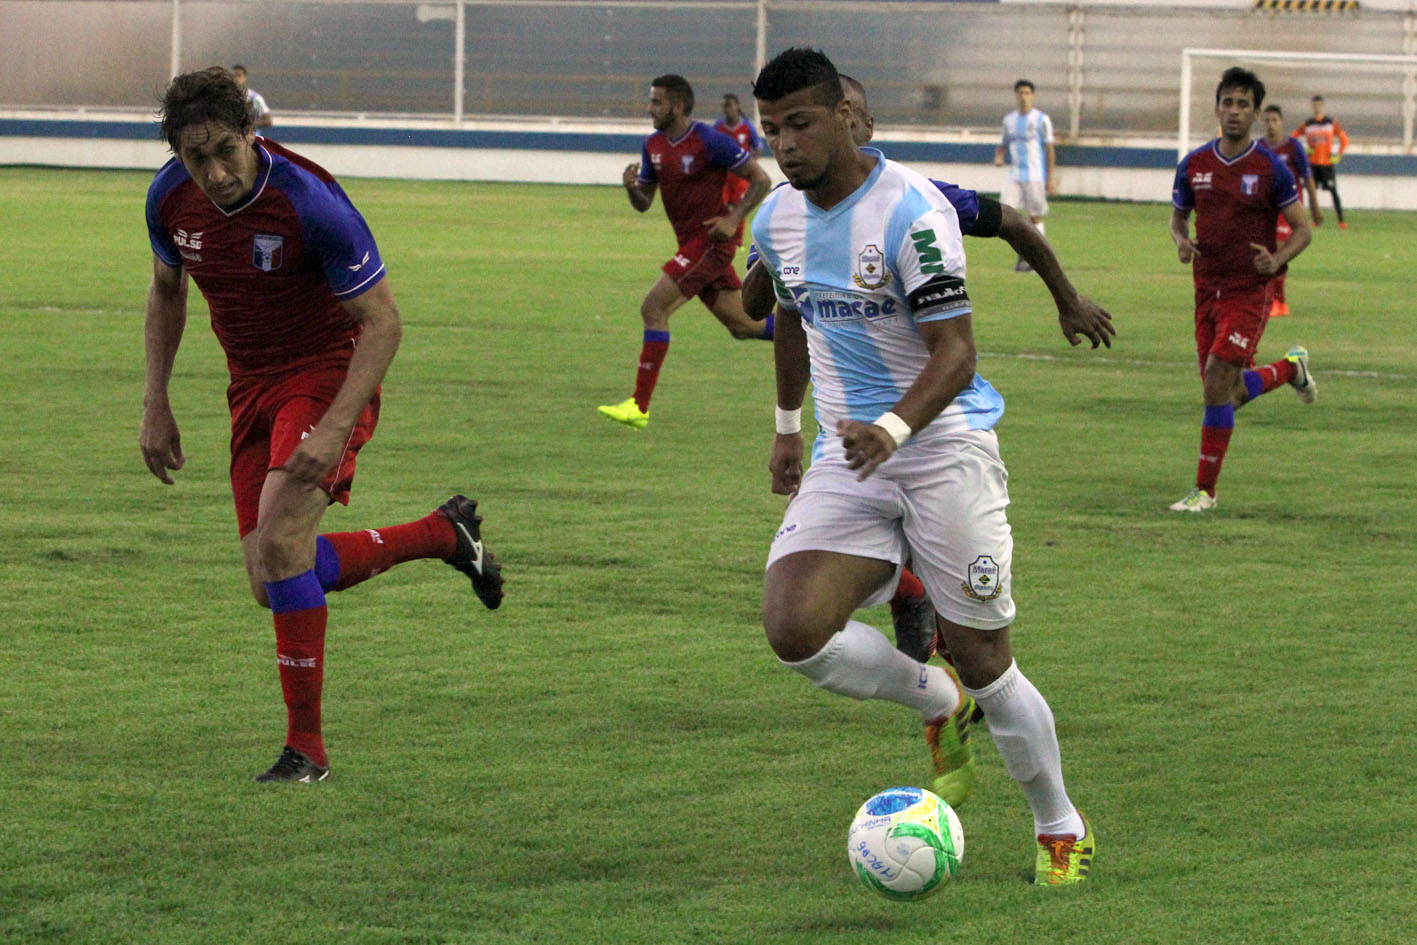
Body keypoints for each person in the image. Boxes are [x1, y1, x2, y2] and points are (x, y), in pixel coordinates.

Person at [752, 47, 1095, 886]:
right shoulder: (778, 215)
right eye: (770, 131)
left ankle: (1059, 825)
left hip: (940, 446)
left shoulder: (911, 211)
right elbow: (784, 313)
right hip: (852, 452)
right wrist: (788, 425)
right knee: (794, 628)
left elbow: (956, 351)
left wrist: (894, 430)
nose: (785, 145)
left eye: (799, 123)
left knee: (985, 654)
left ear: (842, 114)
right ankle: (935, 700)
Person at [142, 67, 503, 783]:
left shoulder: (311, 202)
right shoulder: (168, 199)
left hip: (324, 373)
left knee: (281, 545)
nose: (212, 173)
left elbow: (382, 323)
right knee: (268, 574)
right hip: (250, 387)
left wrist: (336, 425)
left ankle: (306, 749)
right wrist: (155, 398)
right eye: (194, 158)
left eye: (223, 150)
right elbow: (165, 291)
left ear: (252, 132)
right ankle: (442, 533)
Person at [742, 73, 1114, 666]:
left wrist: (1067, 300)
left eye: (859, 116)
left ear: (858, 124)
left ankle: (946, 629)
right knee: (814, 590)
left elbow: (1014, 223)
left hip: (933, 415)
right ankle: (913, 597)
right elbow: (762, 309)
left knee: (968, 610)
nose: (853, 126)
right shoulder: (789, 211)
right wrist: (776, 260)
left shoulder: (919, 201)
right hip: (855, 429)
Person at [1168, 67, 1317, 513]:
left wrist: (1277, 260)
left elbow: (1304, 230)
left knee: (1216, 382)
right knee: (1226, 394)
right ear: (1216, 108)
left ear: (1254, 113)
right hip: (1205, 290)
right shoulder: (1194, 165)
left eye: (1243, 104)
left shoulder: (1270, 168)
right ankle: (1291, 369)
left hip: (1249, 292)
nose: (1234, 111)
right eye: (1227, 102)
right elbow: (1178, 219)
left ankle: (1205, 493)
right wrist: (1181, 241)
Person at [598, 74, 774, 431]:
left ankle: (638, 406)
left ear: (677, 106)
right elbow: (645, 203)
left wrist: (734, 217)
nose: (650, 108)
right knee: (742, 325)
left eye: (657, 102)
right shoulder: (654, 146)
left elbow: (761, 179)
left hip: (711, 242)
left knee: (653, 307)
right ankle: (812, 331)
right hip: (691, 246)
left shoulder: (709, 140)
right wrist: (632, 187)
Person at [1259, 104, 1322, 318]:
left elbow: (1307, 178)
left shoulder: (1293, 147)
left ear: (1282, 122)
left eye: (1274, 120)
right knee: (1269, 252)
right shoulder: (1259, 147)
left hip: (1289, 209)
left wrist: (1314, 207)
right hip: (1267, 208)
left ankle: (1278, 301)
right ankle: (1274, 299)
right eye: (1267, 120)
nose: (1271, 124)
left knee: (1279, 251)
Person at [994, 79, 1056, 272]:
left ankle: (1037, 257)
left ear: (1032, 95)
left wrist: (1050, 178)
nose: (1023, 96)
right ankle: (1024, 252)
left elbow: (1050, 149)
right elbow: (1004, 143)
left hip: (1035, 175)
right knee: (1005, 213)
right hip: (1014, 174)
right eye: (1020, 93)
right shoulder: (1009, 120)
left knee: (1035, 216)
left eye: (1027, 93)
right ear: (1016, 95)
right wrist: (999, 156)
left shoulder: (1041, 120)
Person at [1293, 95, 1349, 229]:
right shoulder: (1307, 125)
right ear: (1312, 106)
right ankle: (1314, 219)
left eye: (1319, 105)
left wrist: (1338, 155)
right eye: (1314, 105)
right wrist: (1304, 150)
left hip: (1326, 165)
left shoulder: (1330, 123)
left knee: (1333, 192)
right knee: (1311, 192)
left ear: (1322, 106)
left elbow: (1344, 139)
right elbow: (1292, 139)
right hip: (1312, 165)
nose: (1316, 107)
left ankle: (1341, 221)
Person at [231, 64, 274, 130]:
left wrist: (249, 125)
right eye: (233, 76)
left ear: (245, 78)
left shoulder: (254, 98)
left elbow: (268, 120)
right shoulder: (223, 97)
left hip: (250, 138)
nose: (236, 78)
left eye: (239, 75)